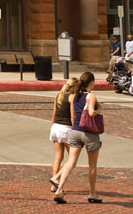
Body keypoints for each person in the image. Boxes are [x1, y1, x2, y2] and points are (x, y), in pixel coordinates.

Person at [54, 72, 103, 204]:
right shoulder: (90, 95)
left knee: (70, 162)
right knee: (92, 165)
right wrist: (98, 111)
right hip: (89, 133)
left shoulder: (74, 95)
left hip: (75, 131)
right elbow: (92, 112)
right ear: (92, 82)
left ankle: (59, 189)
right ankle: (92, 194)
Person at [49, 77, 78, 192]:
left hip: (55, 127)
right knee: (71, 159)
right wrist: (75, 128)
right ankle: (58, 182)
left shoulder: (58, 95)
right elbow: (72, 116)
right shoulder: (72, 97)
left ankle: (54, 184)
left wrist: (53, 126)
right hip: (66, 129)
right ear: (74, 86)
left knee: (58, 157)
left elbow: (53, 114)